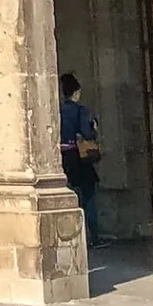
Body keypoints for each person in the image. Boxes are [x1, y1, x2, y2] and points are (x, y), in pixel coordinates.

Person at [59, 70, 102, 250]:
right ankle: (94, 237)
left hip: (64, 156)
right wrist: (94, 128)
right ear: (76, 92)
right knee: (89, 197)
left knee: (69, 195)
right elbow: (87, 133)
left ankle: (70, 237)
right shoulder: (80, 110)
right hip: (80, 156)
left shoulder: (58, 110)